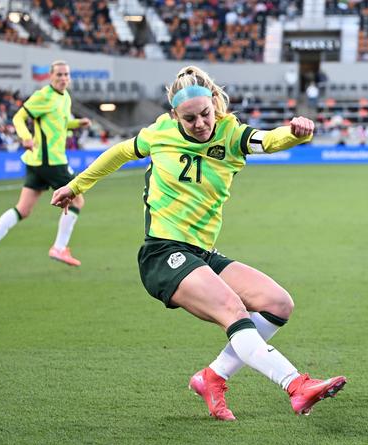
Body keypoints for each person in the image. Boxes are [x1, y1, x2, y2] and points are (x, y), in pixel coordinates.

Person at [51, 65, 346, 421]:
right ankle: (296, 386)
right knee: (233, 311)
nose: (200, 123)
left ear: (214, 105)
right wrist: (76, 186)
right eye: (189, 119)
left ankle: (213, 377)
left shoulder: (230, 133)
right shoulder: (158, 132)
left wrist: (296, 133)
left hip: (201, 253)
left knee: (278, 303)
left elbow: (268, 140)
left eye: (205, 114)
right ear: (174, 114)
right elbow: (119, 153)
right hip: (163, 253)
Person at [0, 60, 90, 272]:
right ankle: (59, 248)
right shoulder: (43, 96)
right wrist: (25, 137)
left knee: (22, 210)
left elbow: (58, 124)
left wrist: (76, 124)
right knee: (77, 200)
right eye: (59, 74)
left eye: (66, 75)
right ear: (50, 76)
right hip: (51, 161)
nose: (63, 78)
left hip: (39, 162)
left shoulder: (65, 97)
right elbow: (19, 117)